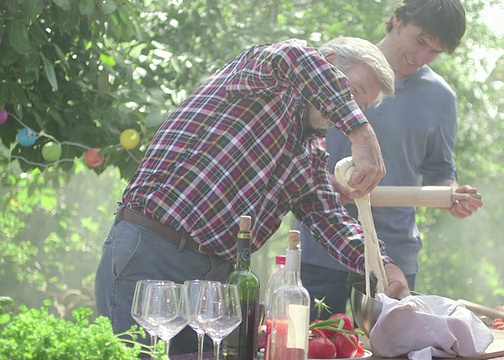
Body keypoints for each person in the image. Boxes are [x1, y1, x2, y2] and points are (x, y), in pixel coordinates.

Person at [94, 36, 411, 355]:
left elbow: (331, 221)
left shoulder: (311, 152)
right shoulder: (268, 77)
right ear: (327, 61)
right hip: (153, 252)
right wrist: (362, 132)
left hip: (214, 279)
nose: (350, 108)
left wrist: (383, 266)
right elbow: (294, 56)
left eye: (361, 107)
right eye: (351, 92)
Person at [297, 0, 484, 320]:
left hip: (393, 259)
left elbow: (440, 169)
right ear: (397, 20)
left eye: (434, 52)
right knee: (311, 347)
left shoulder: (440, 97)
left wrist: (452, 194)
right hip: (320, 249)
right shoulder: (339, 68)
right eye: (420, 41)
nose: (421, 57)